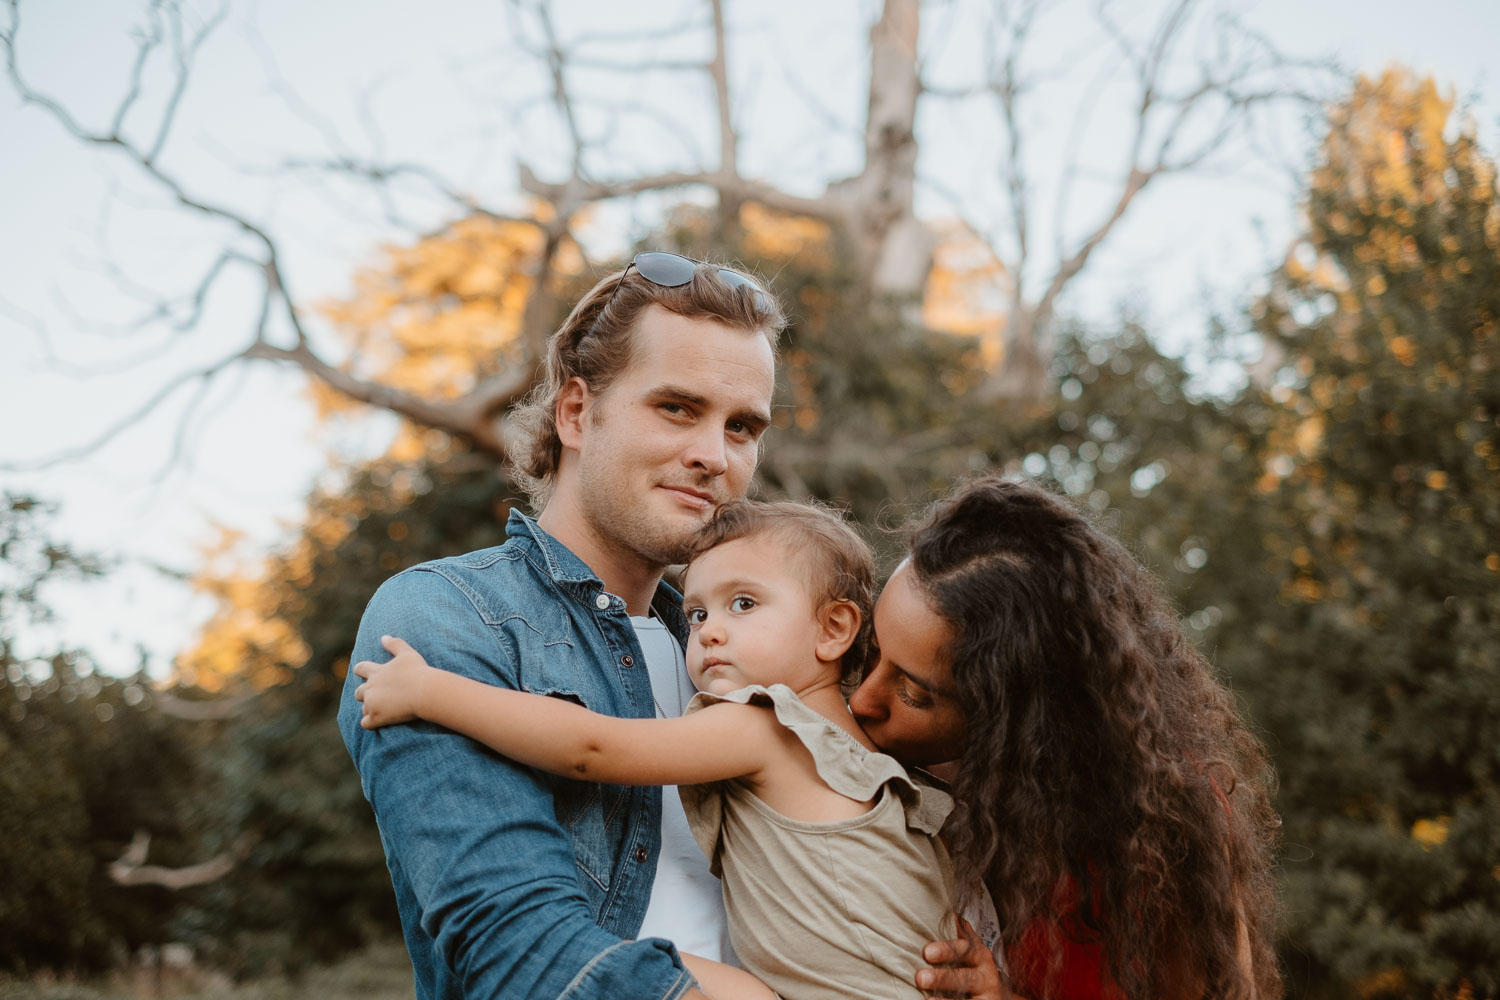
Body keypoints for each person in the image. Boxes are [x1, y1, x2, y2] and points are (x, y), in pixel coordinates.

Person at [336, 250, 784, 1000]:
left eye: (742, 427)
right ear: (577, 413)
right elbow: (523, 958)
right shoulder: (444, 619)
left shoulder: (748, 652)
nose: (713, 456)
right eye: (677, 407)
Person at [353, 500, 961, 1000]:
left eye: (743, 604)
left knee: (619, 967)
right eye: (696, 614)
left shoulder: (768, 726)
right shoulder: (886, 764)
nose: (710, 630)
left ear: (833, 629)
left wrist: (432, 691)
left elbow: (589, 747)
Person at [852, 476, 1283, 1000]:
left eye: (915, 695)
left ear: (1016, 717)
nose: (861, 701)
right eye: (871, 652)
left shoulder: (1164, 826)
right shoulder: (868, 761)